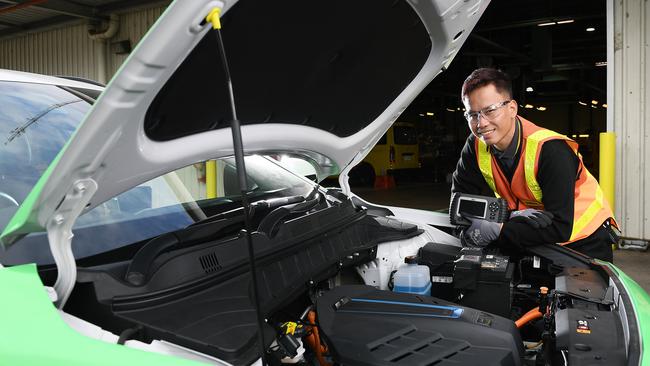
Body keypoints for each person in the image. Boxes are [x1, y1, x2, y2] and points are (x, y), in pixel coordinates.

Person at [451, 68, 618, 262]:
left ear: (512, 108)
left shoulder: (552, 151)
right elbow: (460, 203)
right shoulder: (476, 145)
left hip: (583, 242)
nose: (481, 124)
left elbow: (560, 227)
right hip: (531, 236)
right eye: (472, 115)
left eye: (489, 111)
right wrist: (506, 219)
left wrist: (500, 229)